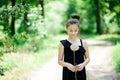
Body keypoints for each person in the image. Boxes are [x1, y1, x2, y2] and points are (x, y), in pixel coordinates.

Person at [58, 14, 90, 80]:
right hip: (67, 74)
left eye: (75, 30)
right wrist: (68, 65)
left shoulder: (83, 43)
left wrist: (83, 65)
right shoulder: (63, 44)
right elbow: (59, 61)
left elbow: (88, 58)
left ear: (78, 30)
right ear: (66, 29)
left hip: (81, 73)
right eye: (71, 30)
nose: (73, 33)